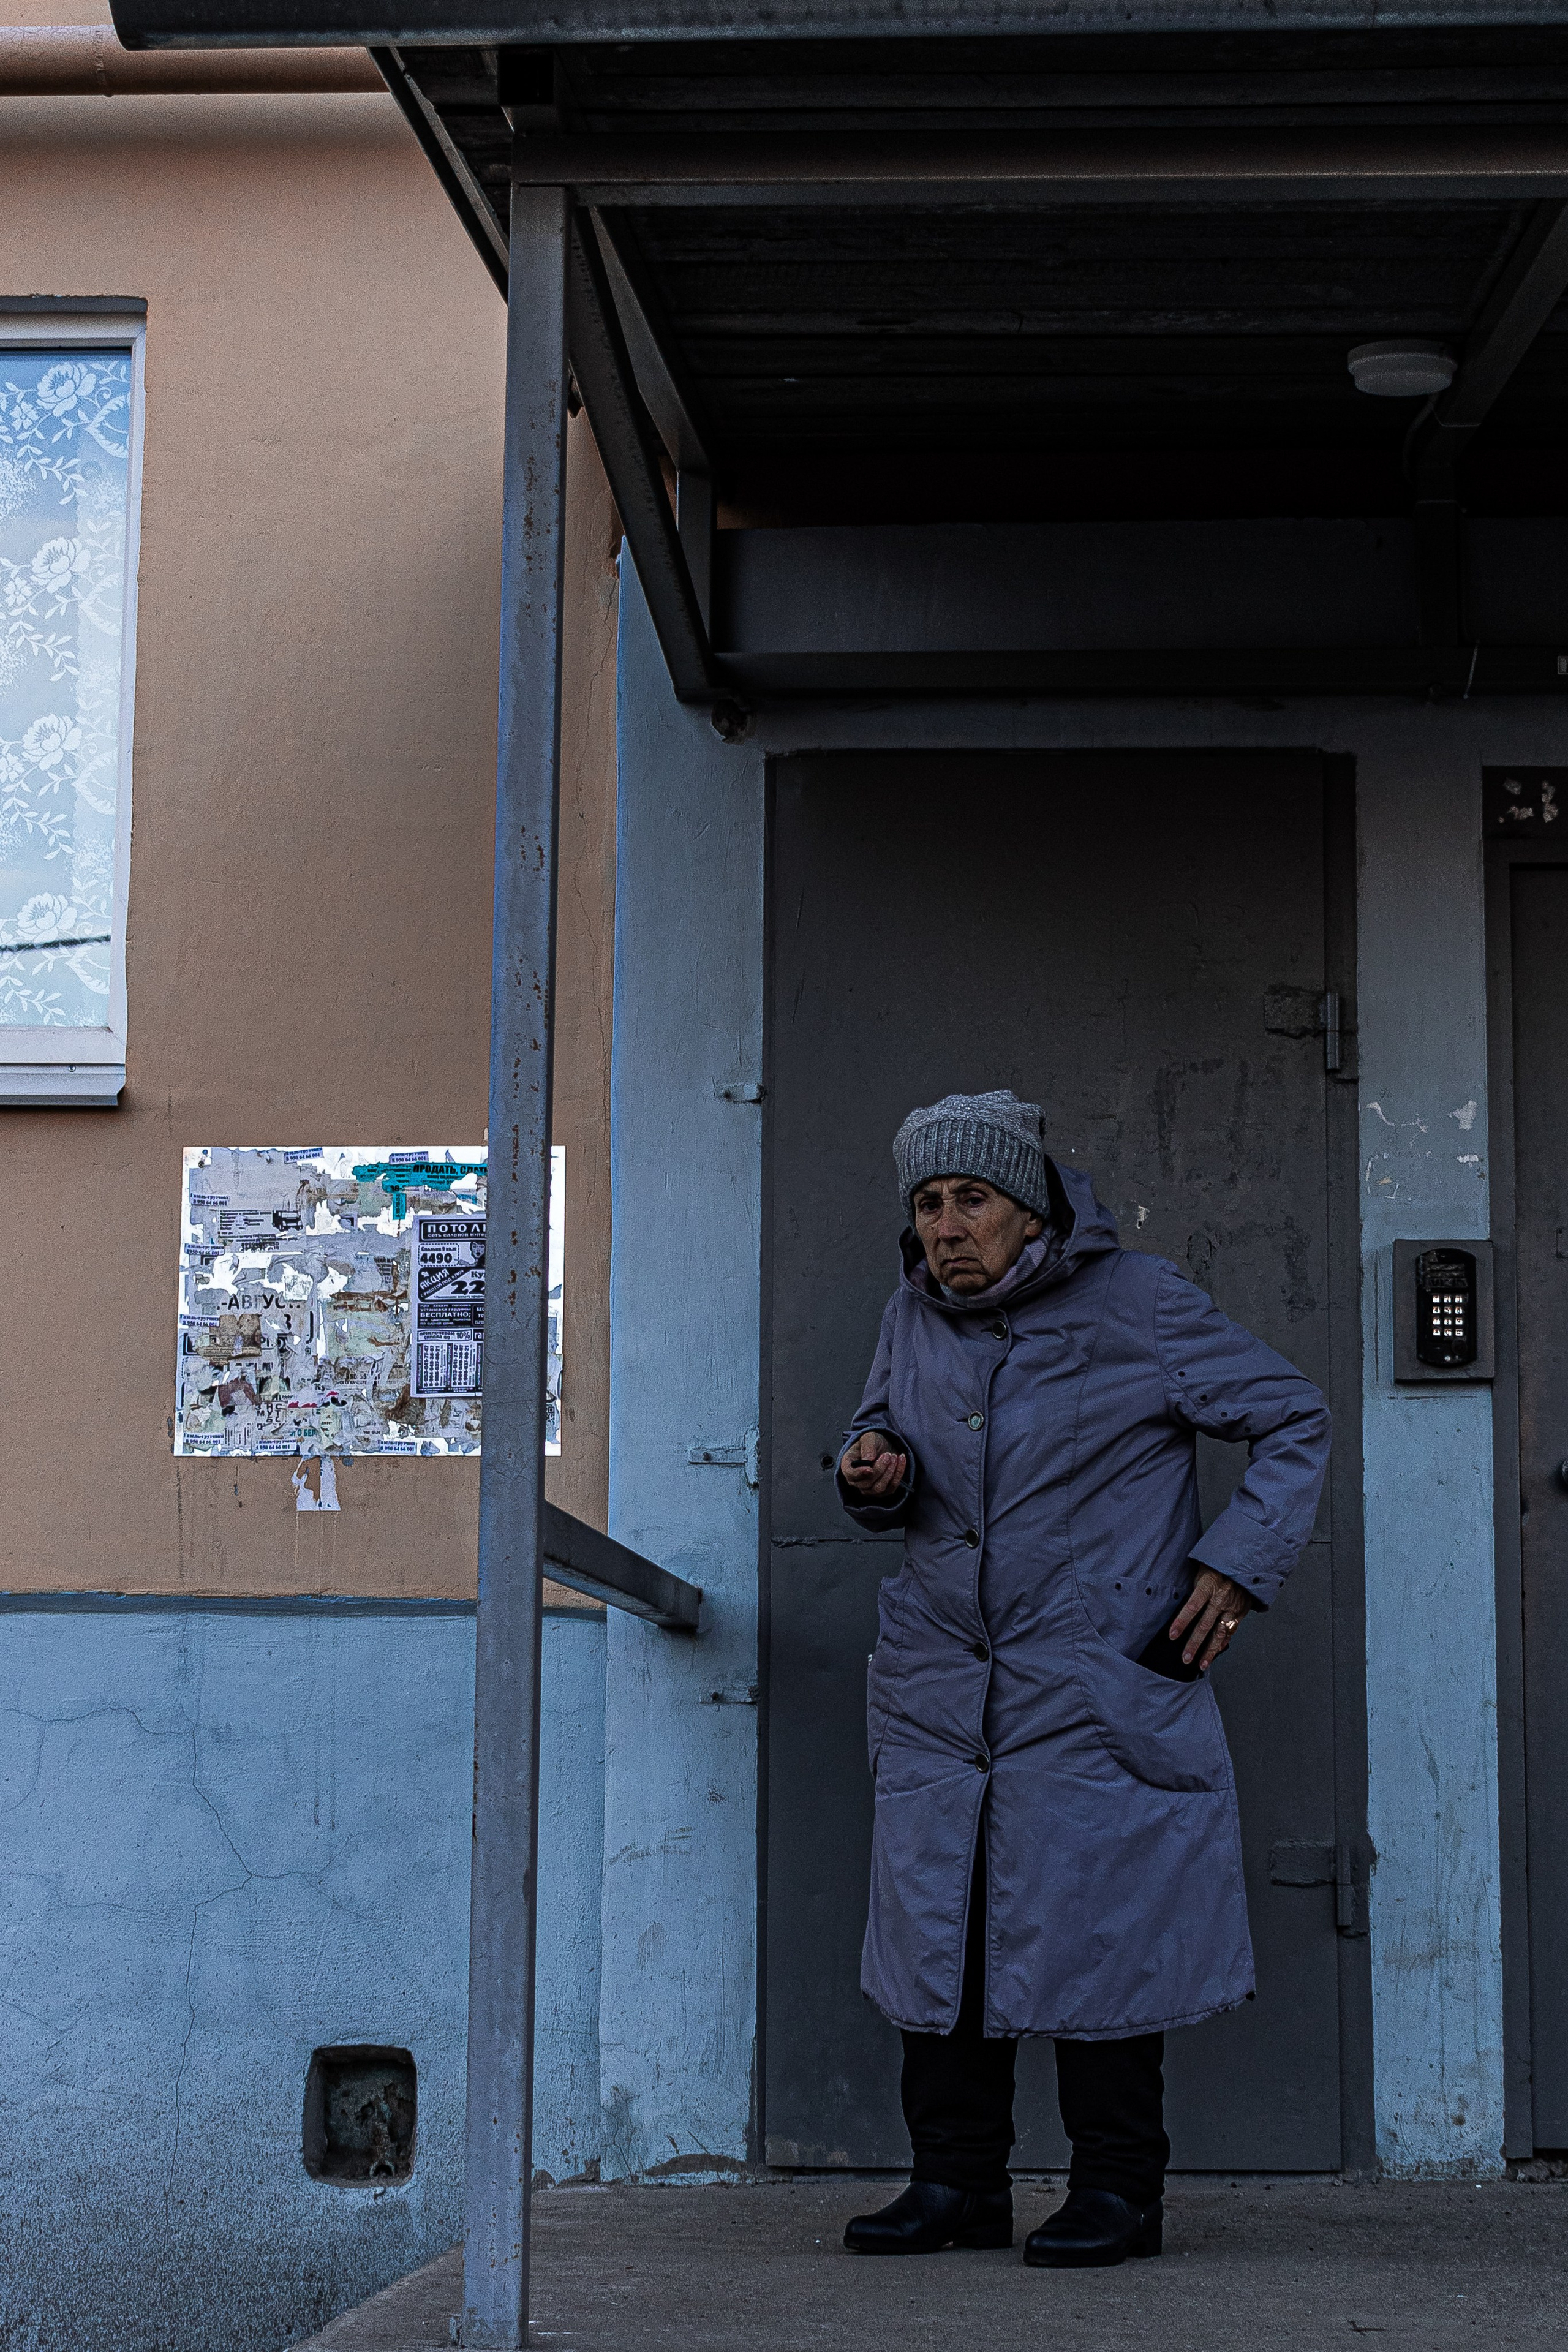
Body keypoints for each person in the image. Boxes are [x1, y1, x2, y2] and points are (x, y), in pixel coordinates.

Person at [837, 1089, 1330, 2269]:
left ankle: (1119, 2191)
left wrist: (1235, 1568)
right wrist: (871, 1472)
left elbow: (1294, 1417)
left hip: (1091, 1679)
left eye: (973, 1199)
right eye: (928, 1202)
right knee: (942, 1933)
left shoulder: (1143, 1303)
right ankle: (955, 2184)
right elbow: (875, 1443)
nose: (946, 1226)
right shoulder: (909, 1316)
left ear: (1033, 1207)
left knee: (1107, 1927)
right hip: (944, 1686)